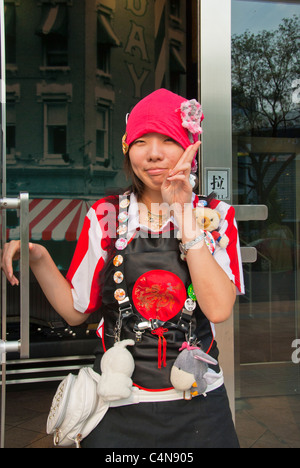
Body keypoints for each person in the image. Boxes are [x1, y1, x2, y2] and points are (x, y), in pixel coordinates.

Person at [2, 89, 244, 448]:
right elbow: (74, 312)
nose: (154, 153)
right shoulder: (105, 215)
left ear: (190, 149)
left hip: (200, 405)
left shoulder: (216, 216)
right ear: (127, 149)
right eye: (141, 141)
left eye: (168, 139)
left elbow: (219, 308)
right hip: (118, 404)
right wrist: (38, 258)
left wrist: (182, 214)